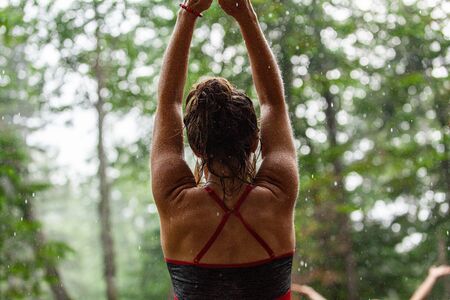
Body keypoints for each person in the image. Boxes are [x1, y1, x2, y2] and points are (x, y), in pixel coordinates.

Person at [150, 0, 299, 298]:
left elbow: (168, 104)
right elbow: (273, 102)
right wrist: (245, 14)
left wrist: (188, 13)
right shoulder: (278, 194)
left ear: (196, 147)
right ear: (256, 140)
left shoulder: (175, 202)